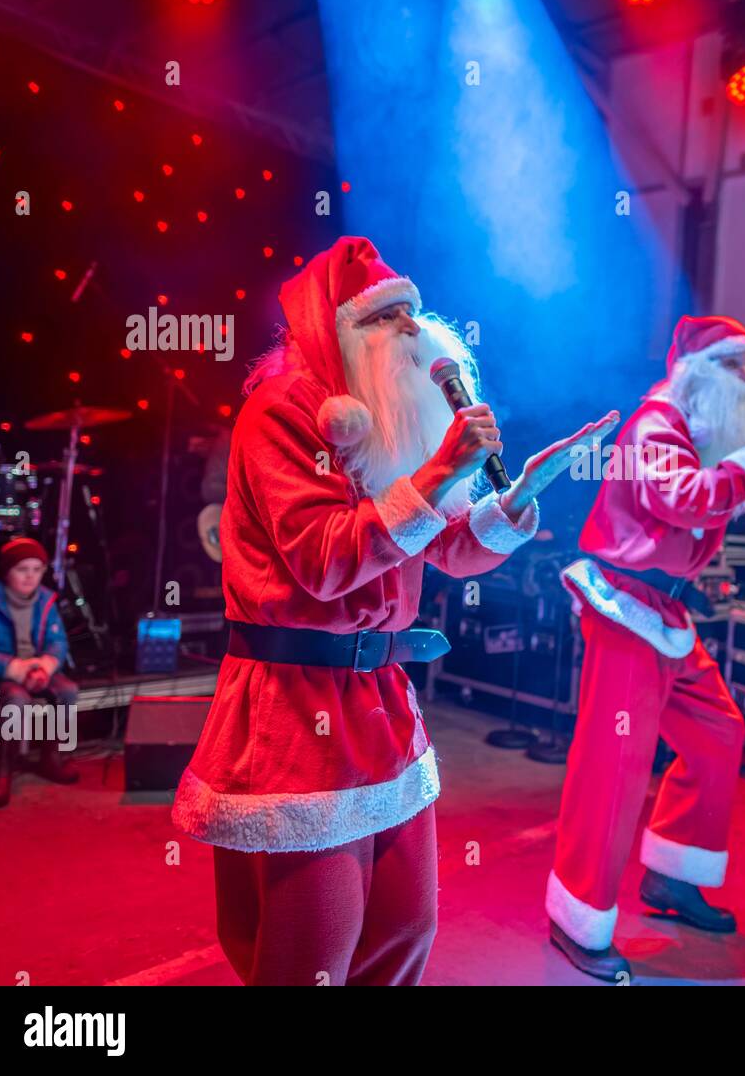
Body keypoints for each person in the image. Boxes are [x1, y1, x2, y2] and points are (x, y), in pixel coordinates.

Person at [171, 236, 616, 986]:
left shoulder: (391, 418)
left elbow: (445, 546)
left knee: (406, 928)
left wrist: (512, 503)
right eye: (389, 317)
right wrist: (442, 469)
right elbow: (324, 561)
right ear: (345, 331)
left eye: (414, 311)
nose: (413, 329)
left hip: (382, 702)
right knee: (313, 948)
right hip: (297, 705)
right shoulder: (285, 410)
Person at [550, 314, 745, 980]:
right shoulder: (655, 426)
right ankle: (577, 915)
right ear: (699, 370)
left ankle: (672, 874)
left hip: (666, 612)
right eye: (736, 366)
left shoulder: (702, 425)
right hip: (625, 605)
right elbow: (684, 499)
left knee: (718, 732)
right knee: (615, 763)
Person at [0, 536, 79, 809]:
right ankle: (2, 772)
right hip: (0, 675)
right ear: (7, 571)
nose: (30, 577)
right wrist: (16, 670)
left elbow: (58, 642)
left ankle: (53, 757)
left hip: (35, 668)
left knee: (67, 690)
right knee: (17, 698)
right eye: (22, 569)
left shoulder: (46, 600)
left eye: (36, 570)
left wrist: (44, 667)